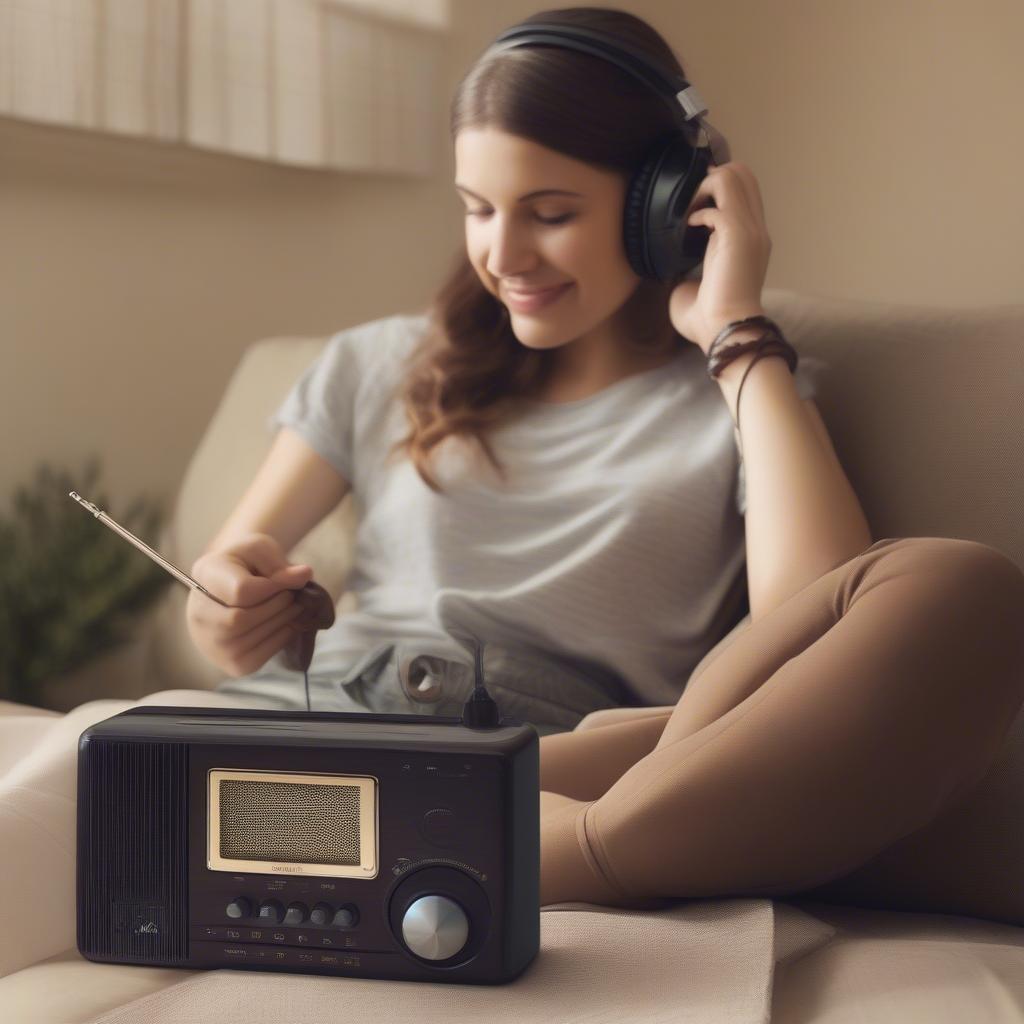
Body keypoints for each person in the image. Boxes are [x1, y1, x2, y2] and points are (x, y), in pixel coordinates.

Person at [2, 12, 1022, 982]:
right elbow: (219, 608)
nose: (502, 255)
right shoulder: (374, 363)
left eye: (551, 213)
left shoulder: (741, 392)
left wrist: (736, 333)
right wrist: (229, 602)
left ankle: (526, 845)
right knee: (74, 806)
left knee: (960, 592)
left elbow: (814, 634)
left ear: (662, 205)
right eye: (477, 208)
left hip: (556, 765)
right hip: (303, 730)